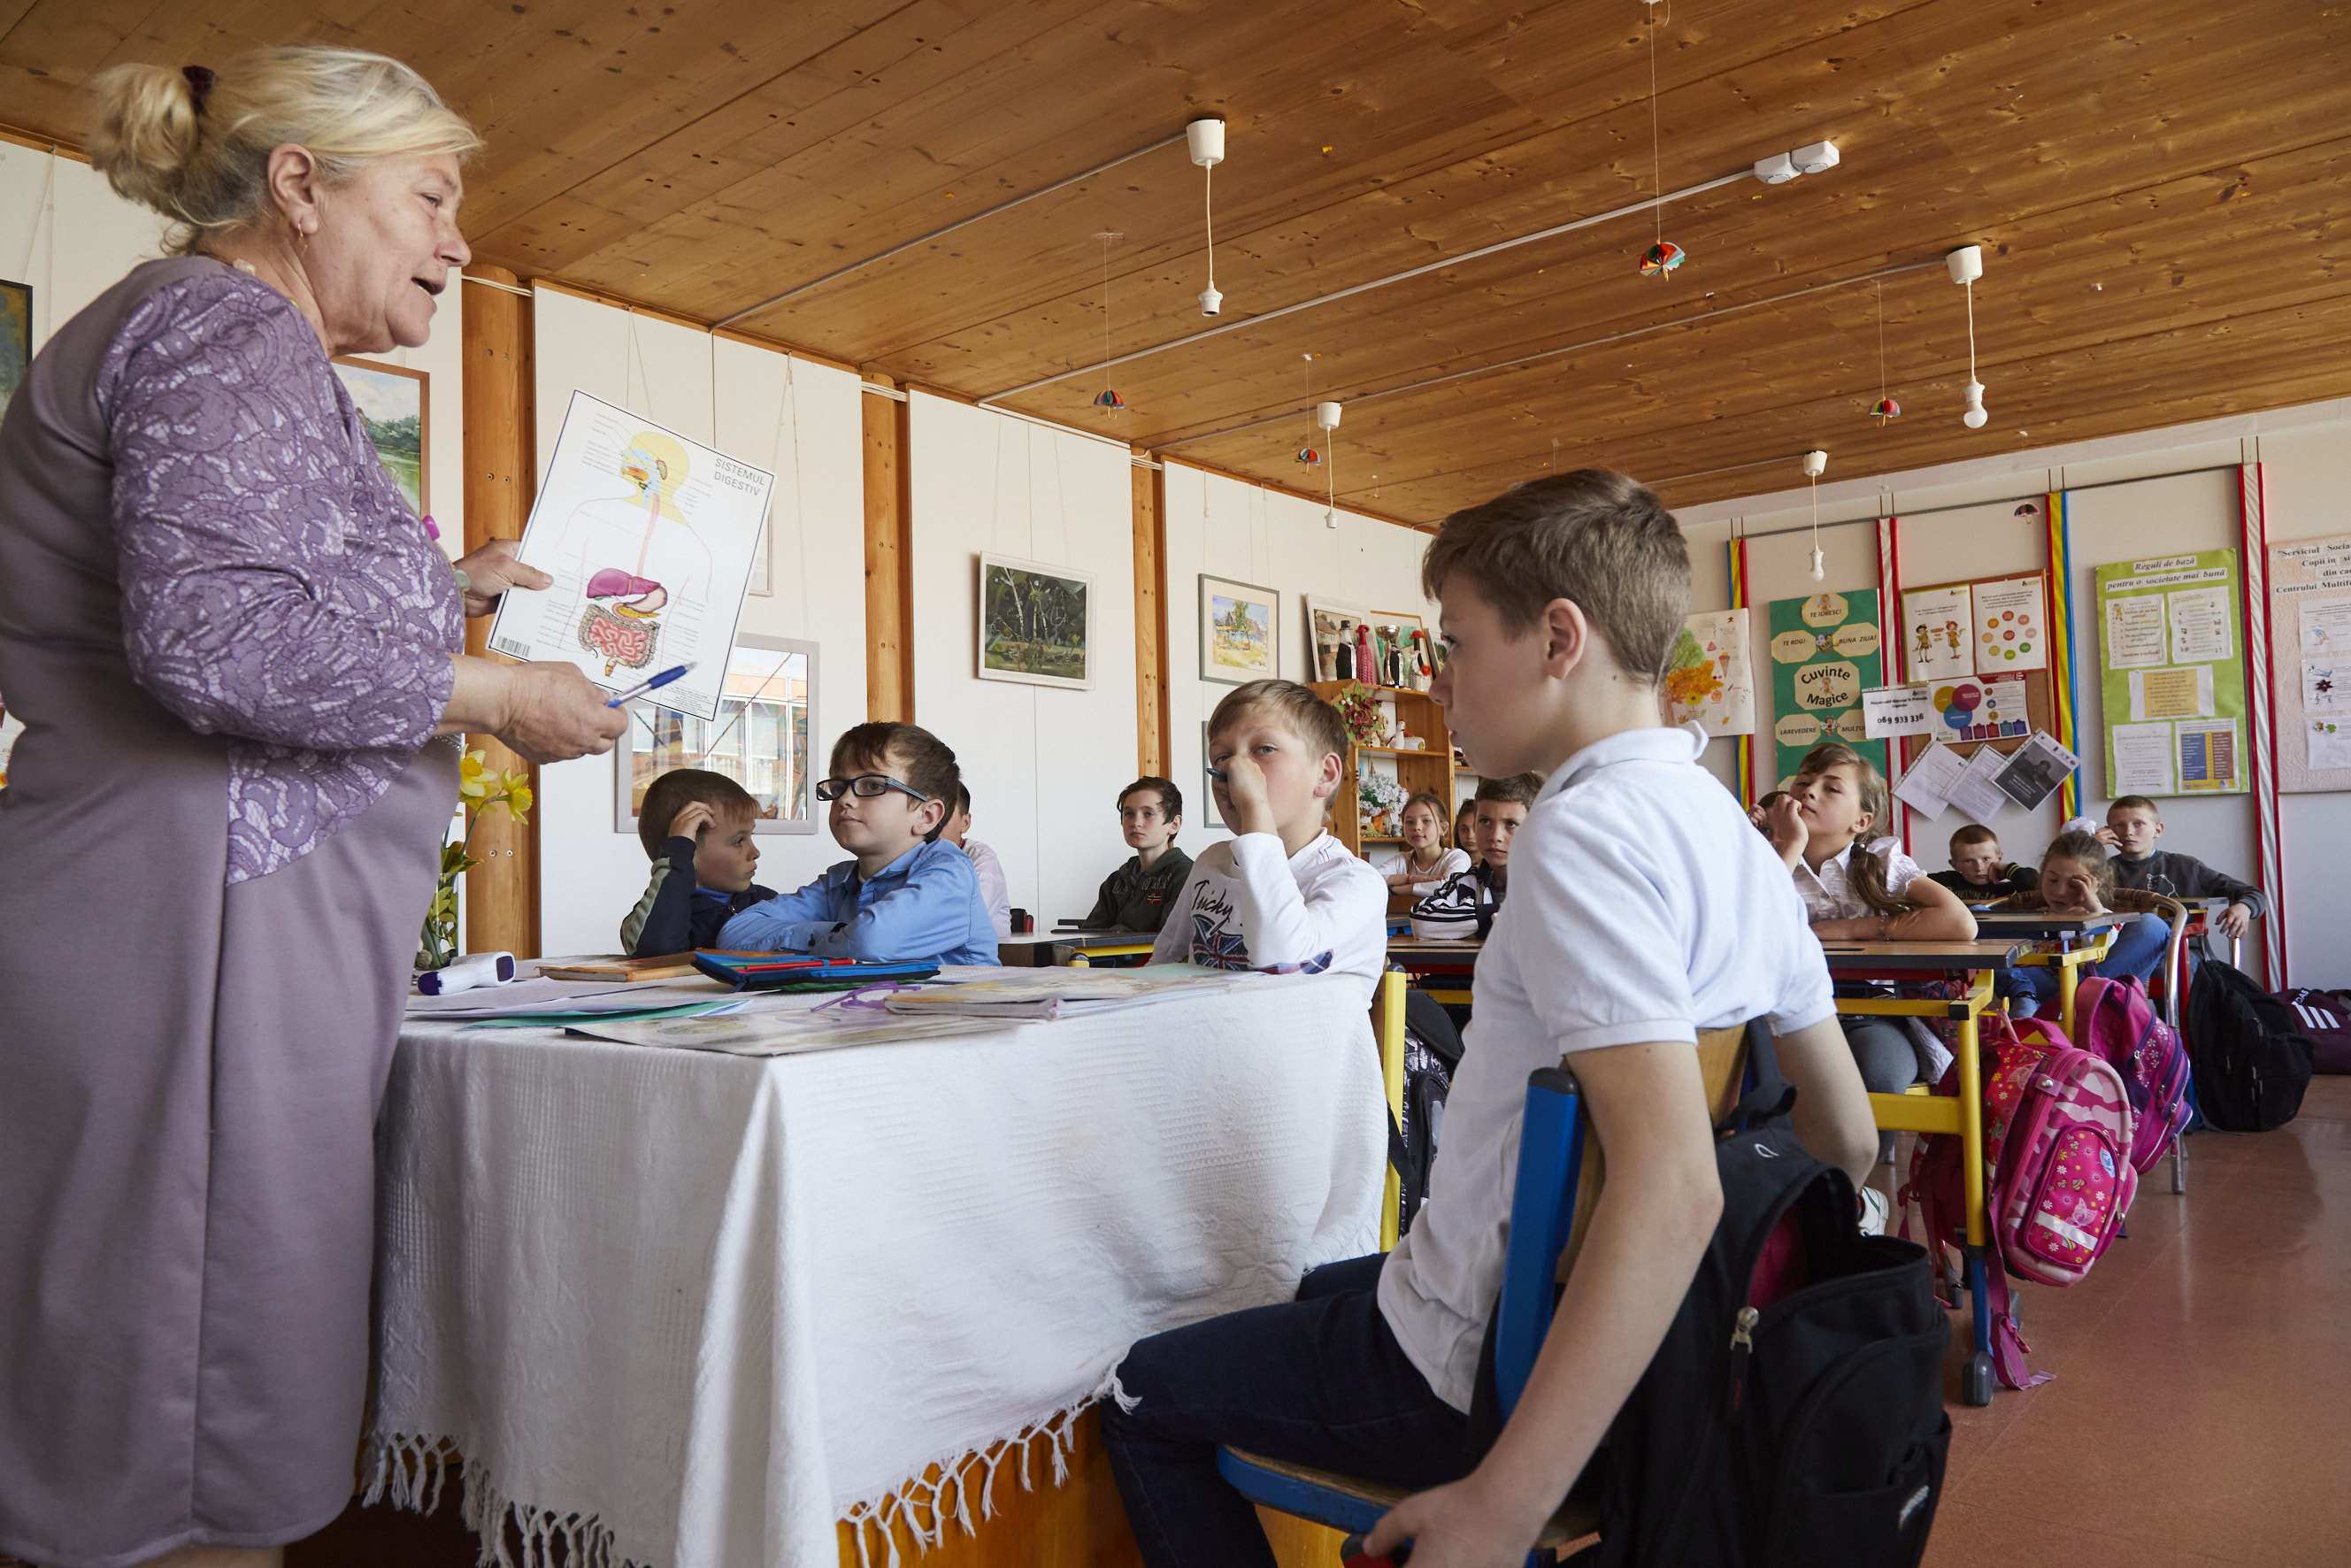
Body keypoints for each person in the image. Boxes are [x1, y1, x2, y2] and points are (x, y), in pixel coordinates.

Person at [0, 46, 632, 1568]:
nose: (458, 242)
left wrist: (440, 586)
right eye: (428, 197)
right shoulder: (226, 327)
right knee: (185, 1416)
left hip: (200, 916)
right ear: (299, 184)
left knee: (182, 1375)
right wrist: (495, 694)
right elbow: (216, 639)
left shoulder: (215, 337)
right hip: (194, 930)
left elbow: (243, 592)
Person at [1102, 470, 1878, 1568]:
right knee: (1314, 1283)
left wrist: (1502, 1503)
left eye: (1455, 642)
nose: (1443, 679)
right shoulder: (1728, 831)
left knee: (1141, 1385)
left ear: (1557, 636)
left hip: (1477, 1368)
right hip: (1658, 1359)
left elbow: (1671, 1184)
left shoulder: (1582, 831)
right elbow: (1843, 1142)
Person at [1760, 742, 1978, 1114]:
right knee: (1749, 1075)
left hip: (1867, 1012)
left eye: (1831, 788)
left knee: (1879, 1074)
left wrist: (1850, 929)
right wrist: (1789, 844)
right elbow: (1746, 925)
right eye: (1802, 782)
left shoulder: (1879, 862)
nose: (1808, 791)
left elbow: (1960, 922)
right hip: (1778, 1011)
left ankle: (1864, 1165)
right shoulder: (1765, 854)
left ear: (1861, 821)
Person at [1149, 680, 1387, 1005]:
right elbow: (1161, 969)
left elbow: (1282, 962)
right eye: (1221, 758)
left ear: (1326, 774)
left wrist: (1255, 810)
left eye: (1264, 750)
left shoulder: (1356, 883)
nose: (1232, 771)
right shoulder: (1211, 863)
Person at [717, 721, 997, 965]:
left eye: (873, 786)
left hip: (960, 1023)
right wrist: (841, 932)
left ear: (926, 816)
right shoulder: (839, 882)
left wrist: (826, 936)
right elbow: (735, 933)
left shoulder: (949, 871)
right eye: (838, 787)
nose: (844, 800)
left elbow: (871, 941)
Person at [1988, 829, 2174, 1011]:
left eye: (2074, 884)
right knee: (1977, 920)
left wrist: (2094, 911)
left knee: (2152, 925)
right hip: (2040, 986)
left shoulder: (2108, 917)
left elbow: (2115, 956)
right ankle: (2036, 1000)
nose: (2060, 891)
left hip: (2099, 990)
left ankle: (2076, 1000)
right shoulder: (2034, 916)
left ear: (2096, 883)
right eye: (2053, 880)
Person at [619, 768, 776, 955]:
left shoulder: (766, 902)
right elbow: (656, 952)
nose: (755, 852)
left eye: (751, 836)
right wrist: (678, 852)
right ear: (689, 852)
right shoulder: (653, 918)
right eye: (739, 841)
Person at [2099, 795, 2265, 942]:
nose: (2128, 832)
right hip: (2122, 949)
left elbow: (2252, 893)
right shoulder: (2101, 870)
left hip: (2182, 951)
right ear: (2108, 831)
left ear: (2158, 830)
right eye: (2119, 825)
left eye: (2138, 824)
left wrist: (2245, 907)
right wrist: (2092, 846)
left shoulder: (2186, 867)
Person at [1408, 772, 1539, 941]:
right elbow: (1421, 921)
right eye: (1485, 821)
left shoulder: (1551, 884)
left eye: (1511, 824)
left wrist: (1465, 925)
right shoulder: (1467, 882)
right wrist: (1495, 914)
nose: (1495, 836)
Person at [1079, 776, 1194, 932]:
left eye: (1148, 814)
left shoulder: (1186, 875)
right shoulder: (1116, 880)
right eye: (1129, 814)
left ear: (1174, 825)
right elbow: (1091, 934)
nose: (1136, 822)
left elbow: (1172, 941)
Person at [942, 782, 1012, 939]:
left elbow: (969, 918)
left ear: (965, 823)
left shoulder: (982, 858)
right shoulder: (917, 856)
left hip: (990, 957)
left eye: (944, 815)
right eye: (927, 812)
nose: (932, 823)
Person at [1374, 790, 1469, 896]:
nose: (1417, 827)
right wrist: (1409, 878)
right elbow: (1371, 879)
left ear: (1443, 828)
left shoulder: (1457, 857)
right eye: (1410, 822)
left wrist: (1395, 890)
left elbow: (1447, 888)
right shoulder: (1401, 860)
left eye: (1426, 821)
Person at [1930, 823, 2040, 902]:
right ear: (1954, 865)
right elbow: (1913, 880)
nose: (1979, 868)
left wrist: (2007, 869)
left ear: (1999, 858)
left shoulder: (2010, 889)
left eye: (1986, 859)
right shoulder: (1944, 882)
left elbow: (2036, 883)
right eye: (1968, 861)